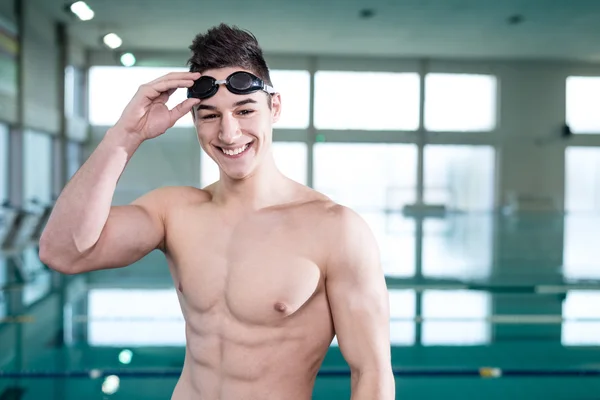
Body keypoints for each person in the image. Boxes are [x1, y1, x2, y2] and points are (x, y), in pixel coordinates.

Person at [39, 23, 395, 400]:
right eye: (209, 116)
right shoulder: (173, 211)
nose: (228, 133)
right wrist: (126, 135)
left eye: (244, 110)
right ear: (194, 121)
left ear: (274, 107)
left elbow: (371, 373)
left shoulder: (335, 229)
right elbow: (61, 251)